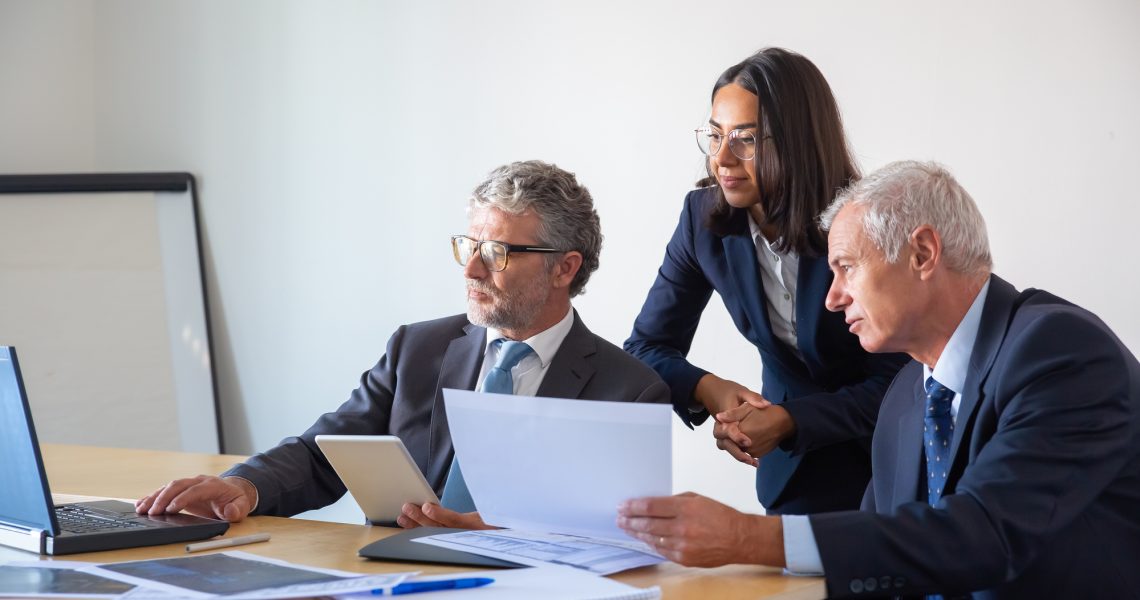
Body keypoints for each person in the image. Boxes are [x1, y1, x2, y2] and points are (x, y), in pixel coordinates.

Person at [617, 161, 1140, 598]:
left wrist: (748, 538)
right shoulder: (906, 398)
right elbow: (887, 559)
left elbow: (983, 535)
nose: (832, 297)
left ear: (922, 253)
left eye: (846, 267)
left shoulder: (1059, 351)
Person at [136, 160, 669, 529]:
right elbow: (324, 453)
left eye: (497, 252)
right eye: (469, 246)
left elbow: (624, 535)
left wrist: (508, 534)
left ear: (565, 268)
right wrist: (243, 487)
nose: (472, 269)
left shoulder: (629, 391)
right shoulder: (418, 348)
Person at [624, 47, 907, 515]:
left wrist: (790, 419)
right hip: (794, 476)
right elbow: (645, 347)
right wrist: (710, 389)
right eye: (715, 136)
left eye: (746, 139)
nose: (722, 158)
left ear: (797, 142)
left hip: (892, 466)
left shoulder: (867, 223)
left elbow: (904, 379)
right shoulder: (701, 221)